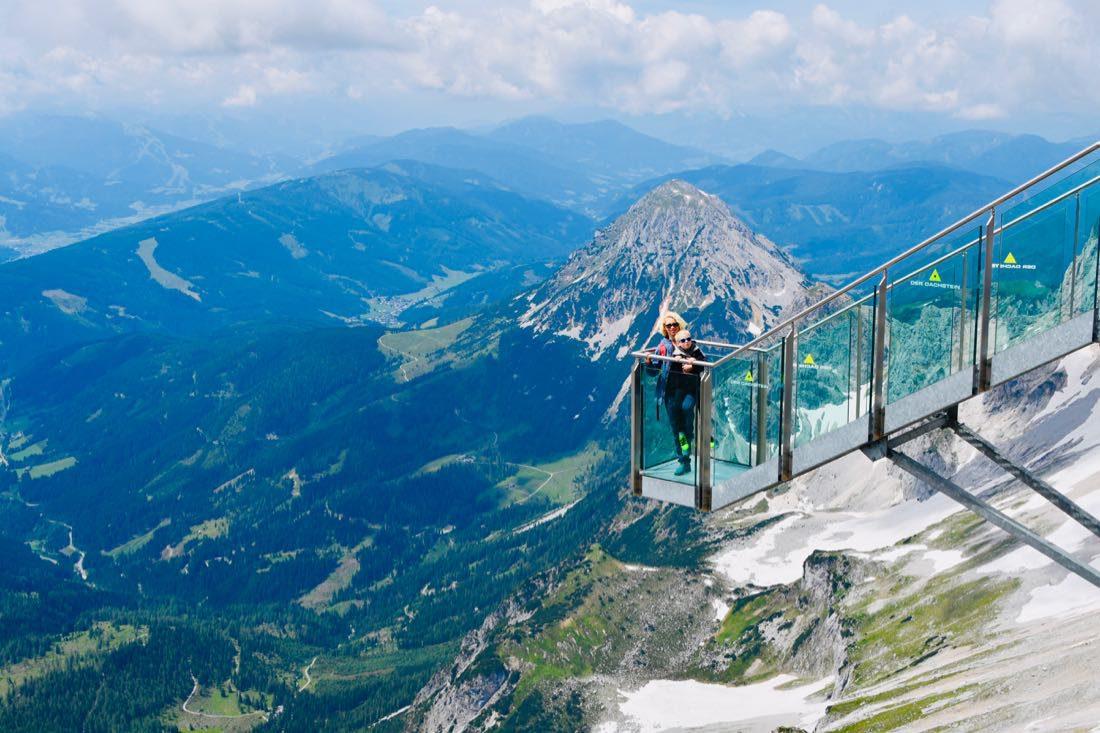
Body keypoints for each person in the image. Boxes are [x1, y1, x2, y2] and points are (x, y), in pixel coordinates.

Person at [664, 329, 706, 476]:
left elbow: (704, 364)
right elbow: (664, 367)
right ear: (677, 342)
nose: (686, 342)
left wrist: (693, 365)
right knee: (678, 430)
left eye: (688, 339)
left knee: (687, 411)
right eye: (682, 340)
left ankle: (687, 441)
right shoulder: (673, 354)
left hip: (689, 392)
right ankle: (684, 459)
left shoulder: (696, 351)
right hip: (674, 394)